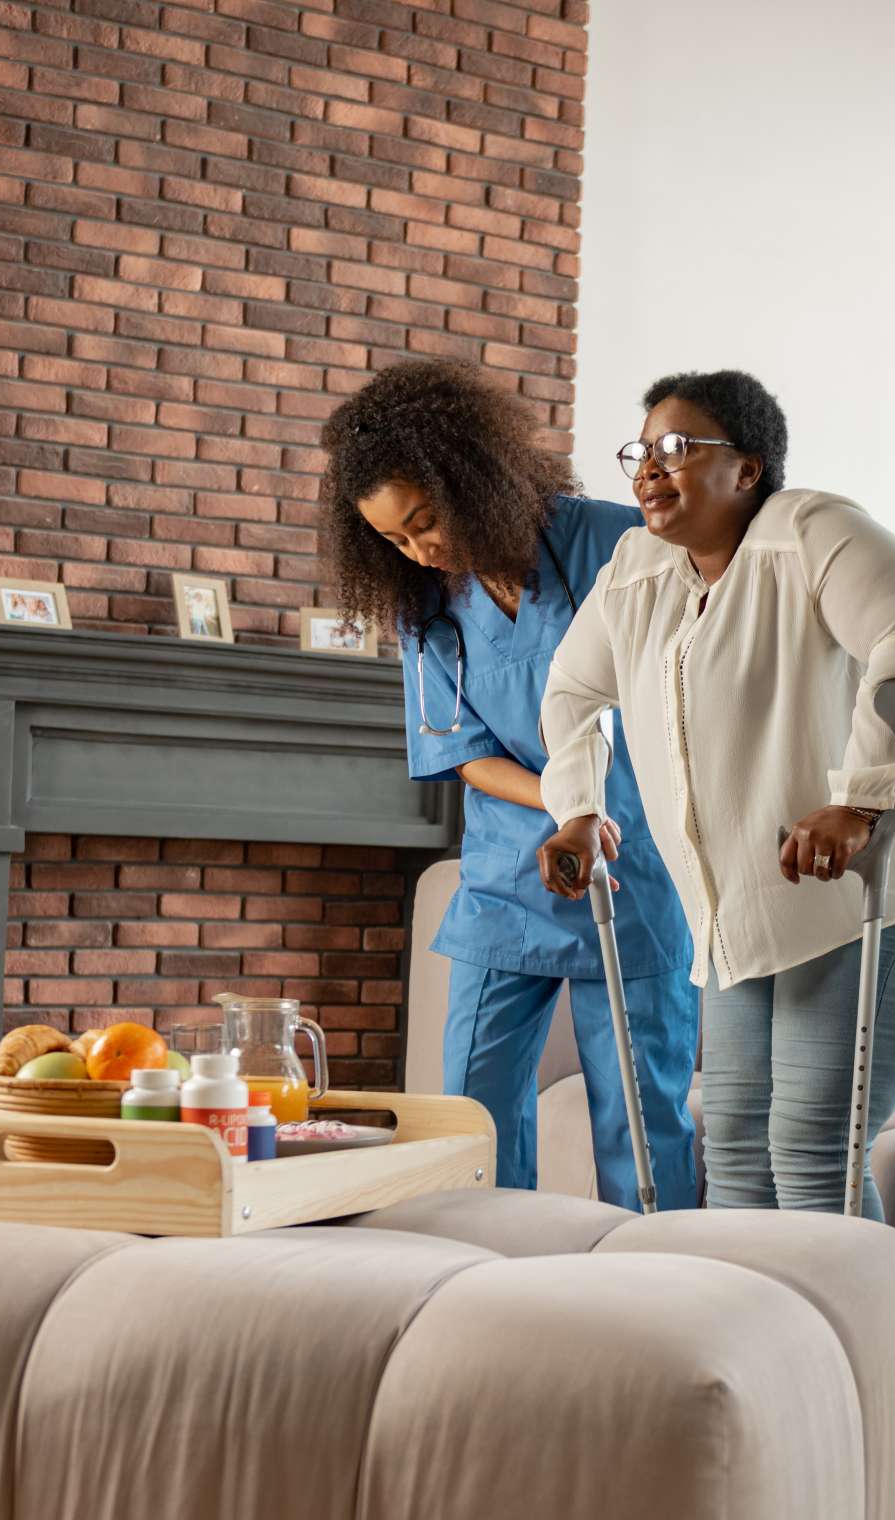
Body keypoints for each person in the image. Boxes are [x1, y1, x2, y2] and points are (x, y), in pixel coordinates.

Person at [537, 371, 895, 1218]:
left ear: (747, 469)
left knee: (812, 1153)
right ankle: (760, 1346)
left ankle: (865, 1350)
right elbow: (569, 691)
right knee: (737, 1153)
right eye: (640, 450)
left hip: (876, 900)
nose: (648, 469)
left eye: (677, 448)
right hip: (746, 920)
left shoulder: (807, 531)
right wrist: (579, 809)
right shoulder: (639, 570)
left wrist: (858, 802)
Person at [321, 361, 698, 1210]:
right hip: (506, 870)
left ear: (471, 476)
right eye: (395, 539)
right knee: (472, 1108)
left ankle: (659, 1282)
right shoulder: (428, 608)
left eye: (426, 521)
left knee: (640, 1117)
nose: (421, 550)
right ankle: (492, 1277)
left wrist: (597, 808)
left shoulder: (616, 543)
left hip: (633, 865)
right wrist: (565, 803)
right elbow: (462, 751)